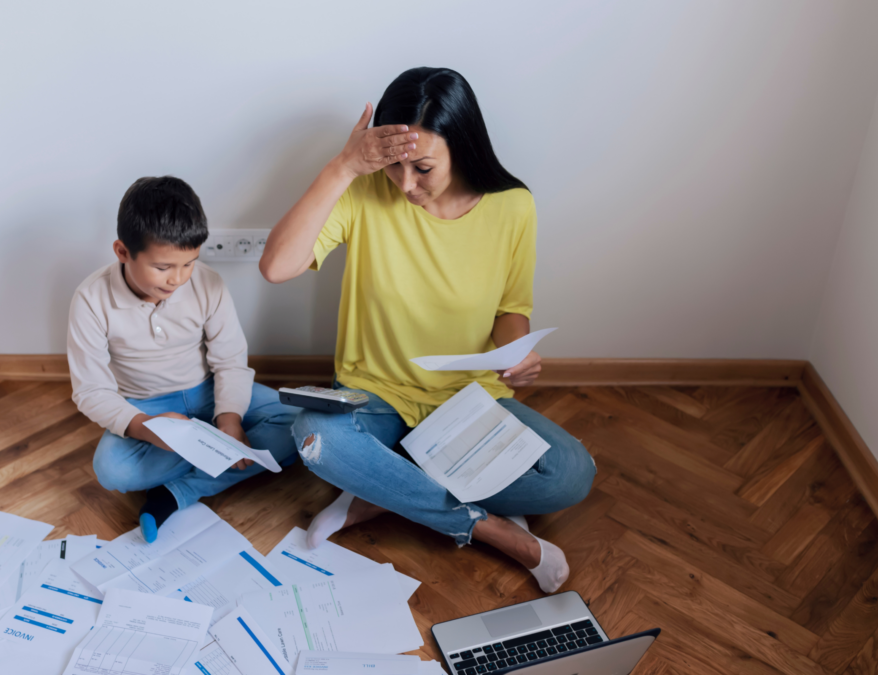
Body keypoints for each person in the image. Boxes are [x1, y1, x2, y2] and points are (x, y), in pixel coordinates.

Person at [259, 68, 595, 592]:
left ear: (461, 146)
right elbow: (276, 267)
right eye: (394, 167)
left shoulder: (513, 206)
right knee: (314, 436)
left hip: (468, 400)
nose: (407, 185)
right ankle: (490, 529)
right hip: (375, 398)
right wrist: (342, 166)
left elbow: (511, 309)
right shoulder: (363, 191)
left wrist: (515, 351)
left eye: (422, 168)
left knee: (571, 473)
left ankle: (379, 490)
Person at [68, 176, 298, 542]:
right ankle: (226, 459)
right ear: (123, 251)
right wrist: (147, 427)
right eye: (163, 268)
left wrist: (230, 421)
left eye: (189, 263)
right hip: (146, 406)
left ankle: (178, 493)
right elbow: (91, 390)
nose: (178, 279)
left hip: (209, 392)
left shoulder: (208, 284)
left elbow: (231, 361)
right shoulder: (90, 300)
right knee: (112, 471)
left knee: (298, 423)